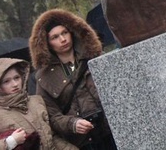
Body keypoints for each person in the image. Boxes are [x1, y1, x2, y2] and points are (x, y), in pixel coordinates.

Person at [29, 10, 116, 150]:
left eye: (64, 33)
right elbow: (51, 115)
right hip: (84, 141)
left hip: (112, 129)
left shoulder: (95, 57)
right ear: (47, 43)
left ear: (72, 32)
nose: (62, 39)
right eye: (55, 37)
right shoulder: (44, 77)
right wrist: (72, 124)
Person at [0, 57, 77, 150]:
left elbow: (51, 137)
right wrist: (10, 142)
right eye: (6, 81)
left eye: (17, 78)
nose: (15, 84)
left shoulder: (36, 102)